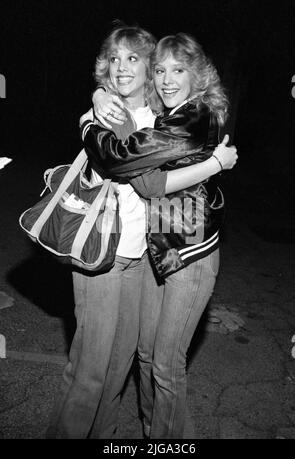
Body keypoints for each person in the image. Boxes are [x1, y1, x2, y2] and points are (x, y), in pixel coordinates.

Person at [47, 25, 236, 439]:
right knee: (92, 369)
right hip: (102, 252)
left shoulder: (166, 116)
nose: (121, 68)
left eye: (133, 58)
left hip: (148, 259)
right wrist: (93, 109)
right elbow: (139, 176)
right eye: (114, 59)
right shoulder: (106, 112)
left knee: (123, 366)